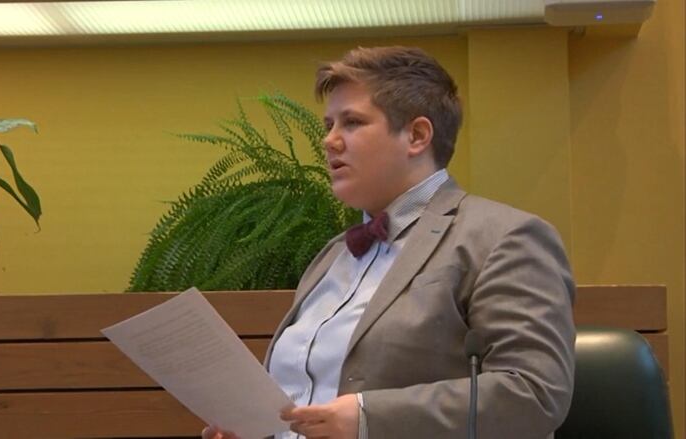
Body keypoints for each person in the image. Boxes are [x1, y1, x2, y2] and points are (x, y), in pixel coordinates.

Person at [203, 46, 575, 439]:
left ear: (416, 136)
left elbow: (535, 394)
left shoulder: (504, 237)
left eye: (351, 122)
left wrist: (369, 417)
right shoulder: (332, 255)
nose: (329, 141)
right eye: (328, 124)